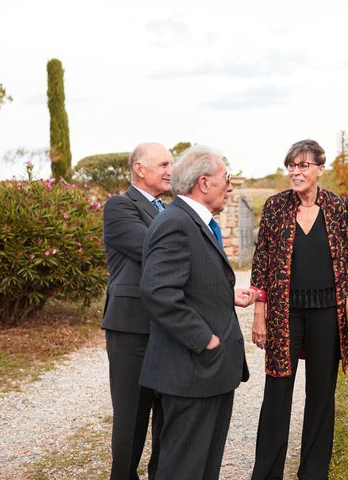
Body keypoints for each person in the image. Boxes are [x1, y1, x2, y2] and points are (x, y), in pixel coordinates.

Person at [250, 139, 348, 479]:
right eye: (292, 165)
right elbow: (261, 262)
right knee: (277, 392)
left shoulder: (337, 206)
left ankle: (313, 472)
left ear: (319, 168)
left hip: (328, 311)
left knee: (321, 394)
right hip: (285, 312)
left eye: (303, 165)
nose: (296, 172)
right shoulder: (275, 207)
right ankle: (267, 473)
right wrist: (260, 312)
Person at [138, 144, 254, 480]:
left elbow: (189, 281)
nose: (229, 186)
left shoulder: (194, 221)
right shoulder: (175, 223)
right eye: (225, 178)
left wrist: (223, 295)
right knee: (183, 469)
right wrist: (205, 339)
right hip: (190, 373)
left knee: (203, 467)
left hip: (208, 374)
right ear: (204, 183)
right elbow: (158, 292)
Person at [102, 142, 173, 480]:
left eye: (170, 164)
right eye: (162, 164)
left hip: (169, 329)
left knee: (167, 418)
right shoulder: (119, 207)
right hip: (131, 330)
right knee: (131, 420)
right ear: (139, 169)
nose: (169, 170)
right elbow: (155, 249)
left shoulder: (170, 211)